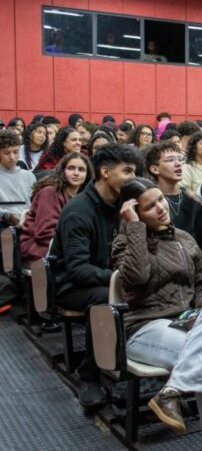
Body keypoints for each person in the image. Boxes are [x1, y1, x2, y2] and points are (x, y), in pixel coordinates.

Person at [111, 178, 202, 451]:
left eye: (161, 200)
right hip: (145, 326)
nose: (161, 208)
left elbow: (199, 283)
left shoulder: (184, 238)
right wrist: (134, 227)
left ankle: (172, 392)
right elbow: (135, 279)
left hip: (183, 320)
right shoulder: (125, 241)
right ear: (133, 212)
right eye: (149, 207)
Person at [52, 143, 140, 407]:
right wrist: (120, 278)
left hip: (108, 277)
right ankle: (89, 374)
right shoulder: (79, 211)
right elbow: (78, 270)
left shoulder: (121, 207)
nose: (132, 178)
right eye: (127, 171)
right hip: (70, 285)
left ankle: (133, 364)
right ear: (105, 172)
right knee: (106, 300)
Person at [144, 142, 202, 257]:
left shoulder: (193, 199)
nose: (178, 164)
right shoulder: (152, 203)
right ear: (155, 169)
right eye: (170, 160)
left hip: (195, 262)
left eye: (180, 159)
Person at [20, 153, 92, 263]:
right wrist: (77, 243)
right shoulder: (50, 192)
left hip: (67, 245)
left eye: (81, 170)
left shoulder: (84, 196)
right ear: (62, 170)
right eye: (71, 168)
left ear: (87, 174)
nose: (76, 173)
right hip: (39, 248)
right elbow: (45, 232)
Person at [0, 129, 37, 227]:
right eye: (7, 153)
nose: (12, 157)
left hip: (26, 226)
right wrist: (7, 215)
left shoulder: (29, 176)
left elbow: (34, 205)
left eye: (16, 152)